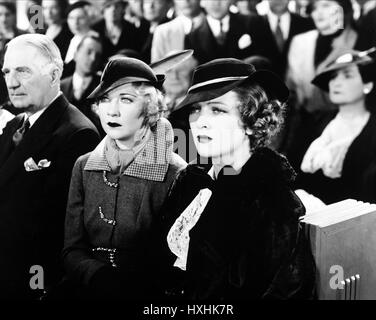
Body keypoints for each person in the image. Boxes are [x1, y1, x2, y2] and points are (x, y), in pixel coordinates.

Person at [160, 58, 316, 300]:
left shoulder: (273, 201)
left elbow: (284, 292)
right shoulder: (190, 182)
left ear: (253, 123)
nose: (200, 122)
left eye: (217, 110)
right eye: (195, 109)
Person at [62, 57, 186, 300]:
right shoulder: (83, 165)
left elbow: (176, 261)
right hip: (87, 289)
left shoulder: (177, 173)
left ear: (149, 109)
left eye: (126, 100)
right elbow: (71, 250)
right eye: (105, 100)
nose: (112, 110)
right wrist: (96, 275)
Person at [0, 34, 100, 299]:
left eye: (23, 71)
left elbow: (61, 230)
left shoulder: (78, 134)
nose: (12, 82)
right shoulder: (13, 125)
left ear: (55, 74)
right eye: (7, 71)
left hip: (35, 282)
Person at [295, 49, 376, 204]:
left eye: (347, 75)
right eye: (333, 77)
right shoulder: (315, 122)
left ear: (368, 85)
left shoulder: (372, 132)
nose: (336, 82)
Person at [184, 0, 276, 65]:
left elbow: (267, 61)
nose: (216, 3)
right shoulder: (192, 37)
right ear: (202, 1)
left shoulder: (254, 23)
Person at [61, 34, 104, 137]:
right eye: (89, 52)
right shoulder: (58, 88)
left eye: (97, 55)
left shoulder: (104, 90)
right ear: (75, 54)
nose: (93, 58)